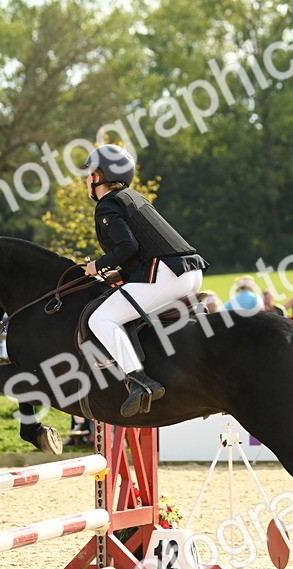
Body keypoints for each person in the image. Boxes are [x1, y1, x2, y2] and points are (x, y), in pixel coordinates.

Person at [80, 144, 209, 416]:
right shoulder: (132, 198)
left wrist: (97, 266)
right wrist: (122, 274)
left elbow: (128, 247)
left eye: (89, 174)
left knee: (100, 319)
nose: (87, 180)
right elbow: (145, 247)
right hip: (189, 272)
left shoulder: (108, 205)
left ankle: (138, 380)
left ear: (99, 176)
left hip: (167, 274)